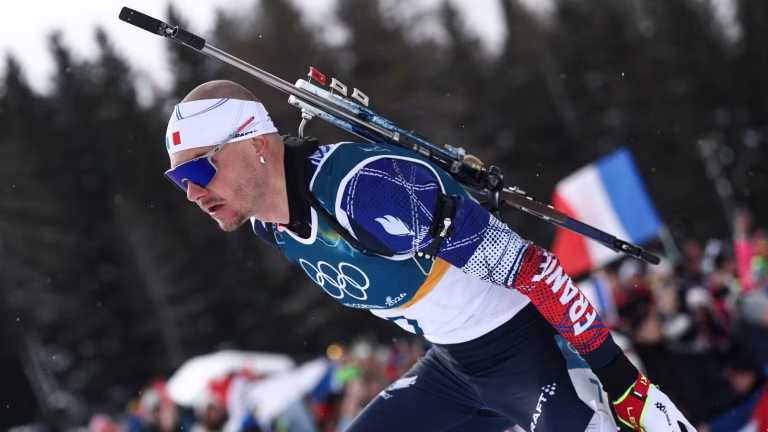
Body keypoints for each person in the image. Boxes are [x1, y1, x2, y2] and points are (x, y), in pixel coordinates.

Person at [163, 80, 696, 432]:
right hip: (453, 369)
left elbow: (536, 269)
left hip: (532, 357)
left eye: (198, 171)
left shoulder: (367, 192)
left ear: (256, 142)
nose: (191, 193)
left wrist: (622, 379)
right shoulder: (267, 225)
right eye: (178, 179)